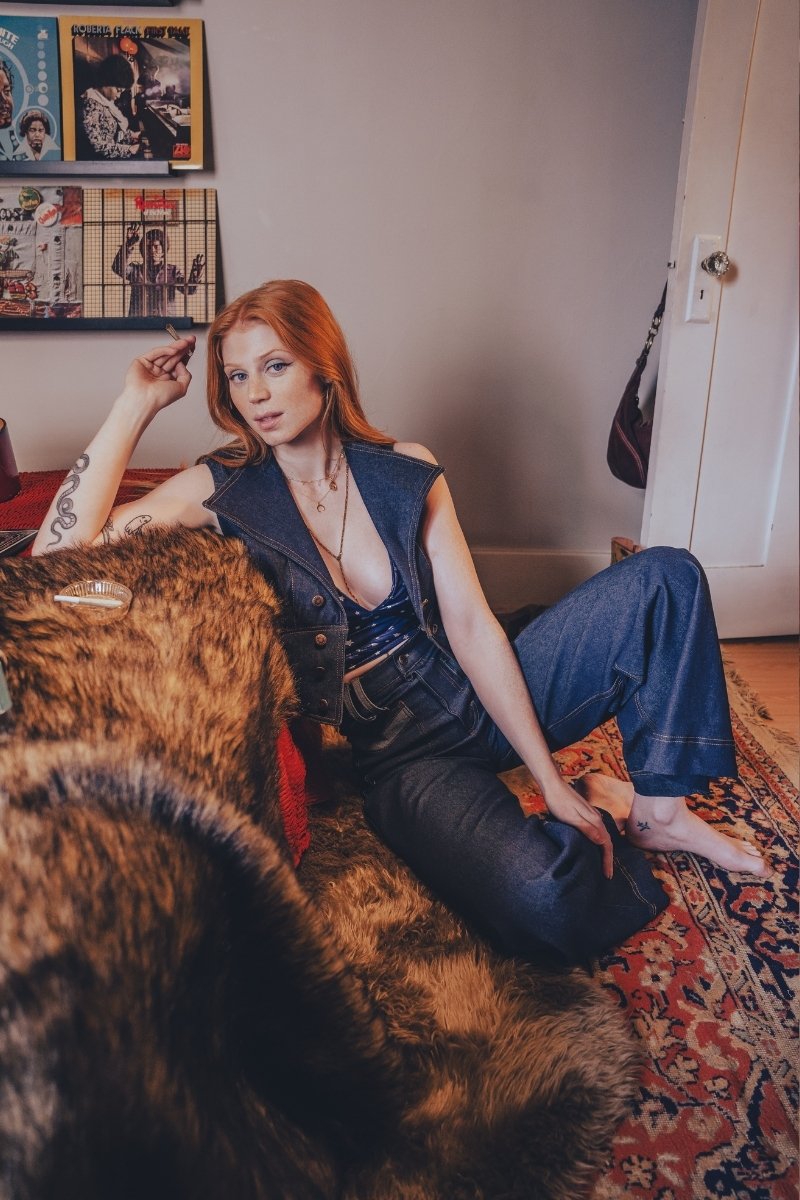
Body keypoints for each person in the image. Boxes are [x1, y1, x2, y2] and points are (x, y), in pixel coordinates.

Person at [31, 280, 766, 965]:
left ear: (324, 366)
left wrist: (549, 777)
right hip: (403, 759)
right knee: (544, 901)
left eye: (275, 365)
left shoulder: (406, 467)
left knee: (666, 576)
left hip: (475, 682)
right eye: (237, 376)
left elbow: (474, 627)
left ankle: (659, 812)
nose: (255, 393)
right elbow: (56, 557)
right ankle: (608, 804)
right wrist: (135, 402)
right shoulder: (222, 489)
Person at [111, 225, 205, 318]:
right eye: (148, 246)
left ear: (163, 251)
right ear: (143, 251)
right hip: (139, 324)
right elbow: (117, 268)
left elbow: (189, 290)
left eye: (156, 246)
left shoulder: (172, 271)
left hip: (165, 323)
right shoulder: (135, 270)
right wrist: (128, 244)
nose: (152, 250)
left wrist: (195, 276)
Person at [78, 54, 141, 160]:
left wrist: (131, 135)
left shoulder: (105, 102)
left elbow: (112, 132)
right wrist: (129, 149)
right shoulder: (90, 105)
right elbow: (97, 146)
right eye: (118, 90)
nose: (119, 95)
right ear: (107, 82)